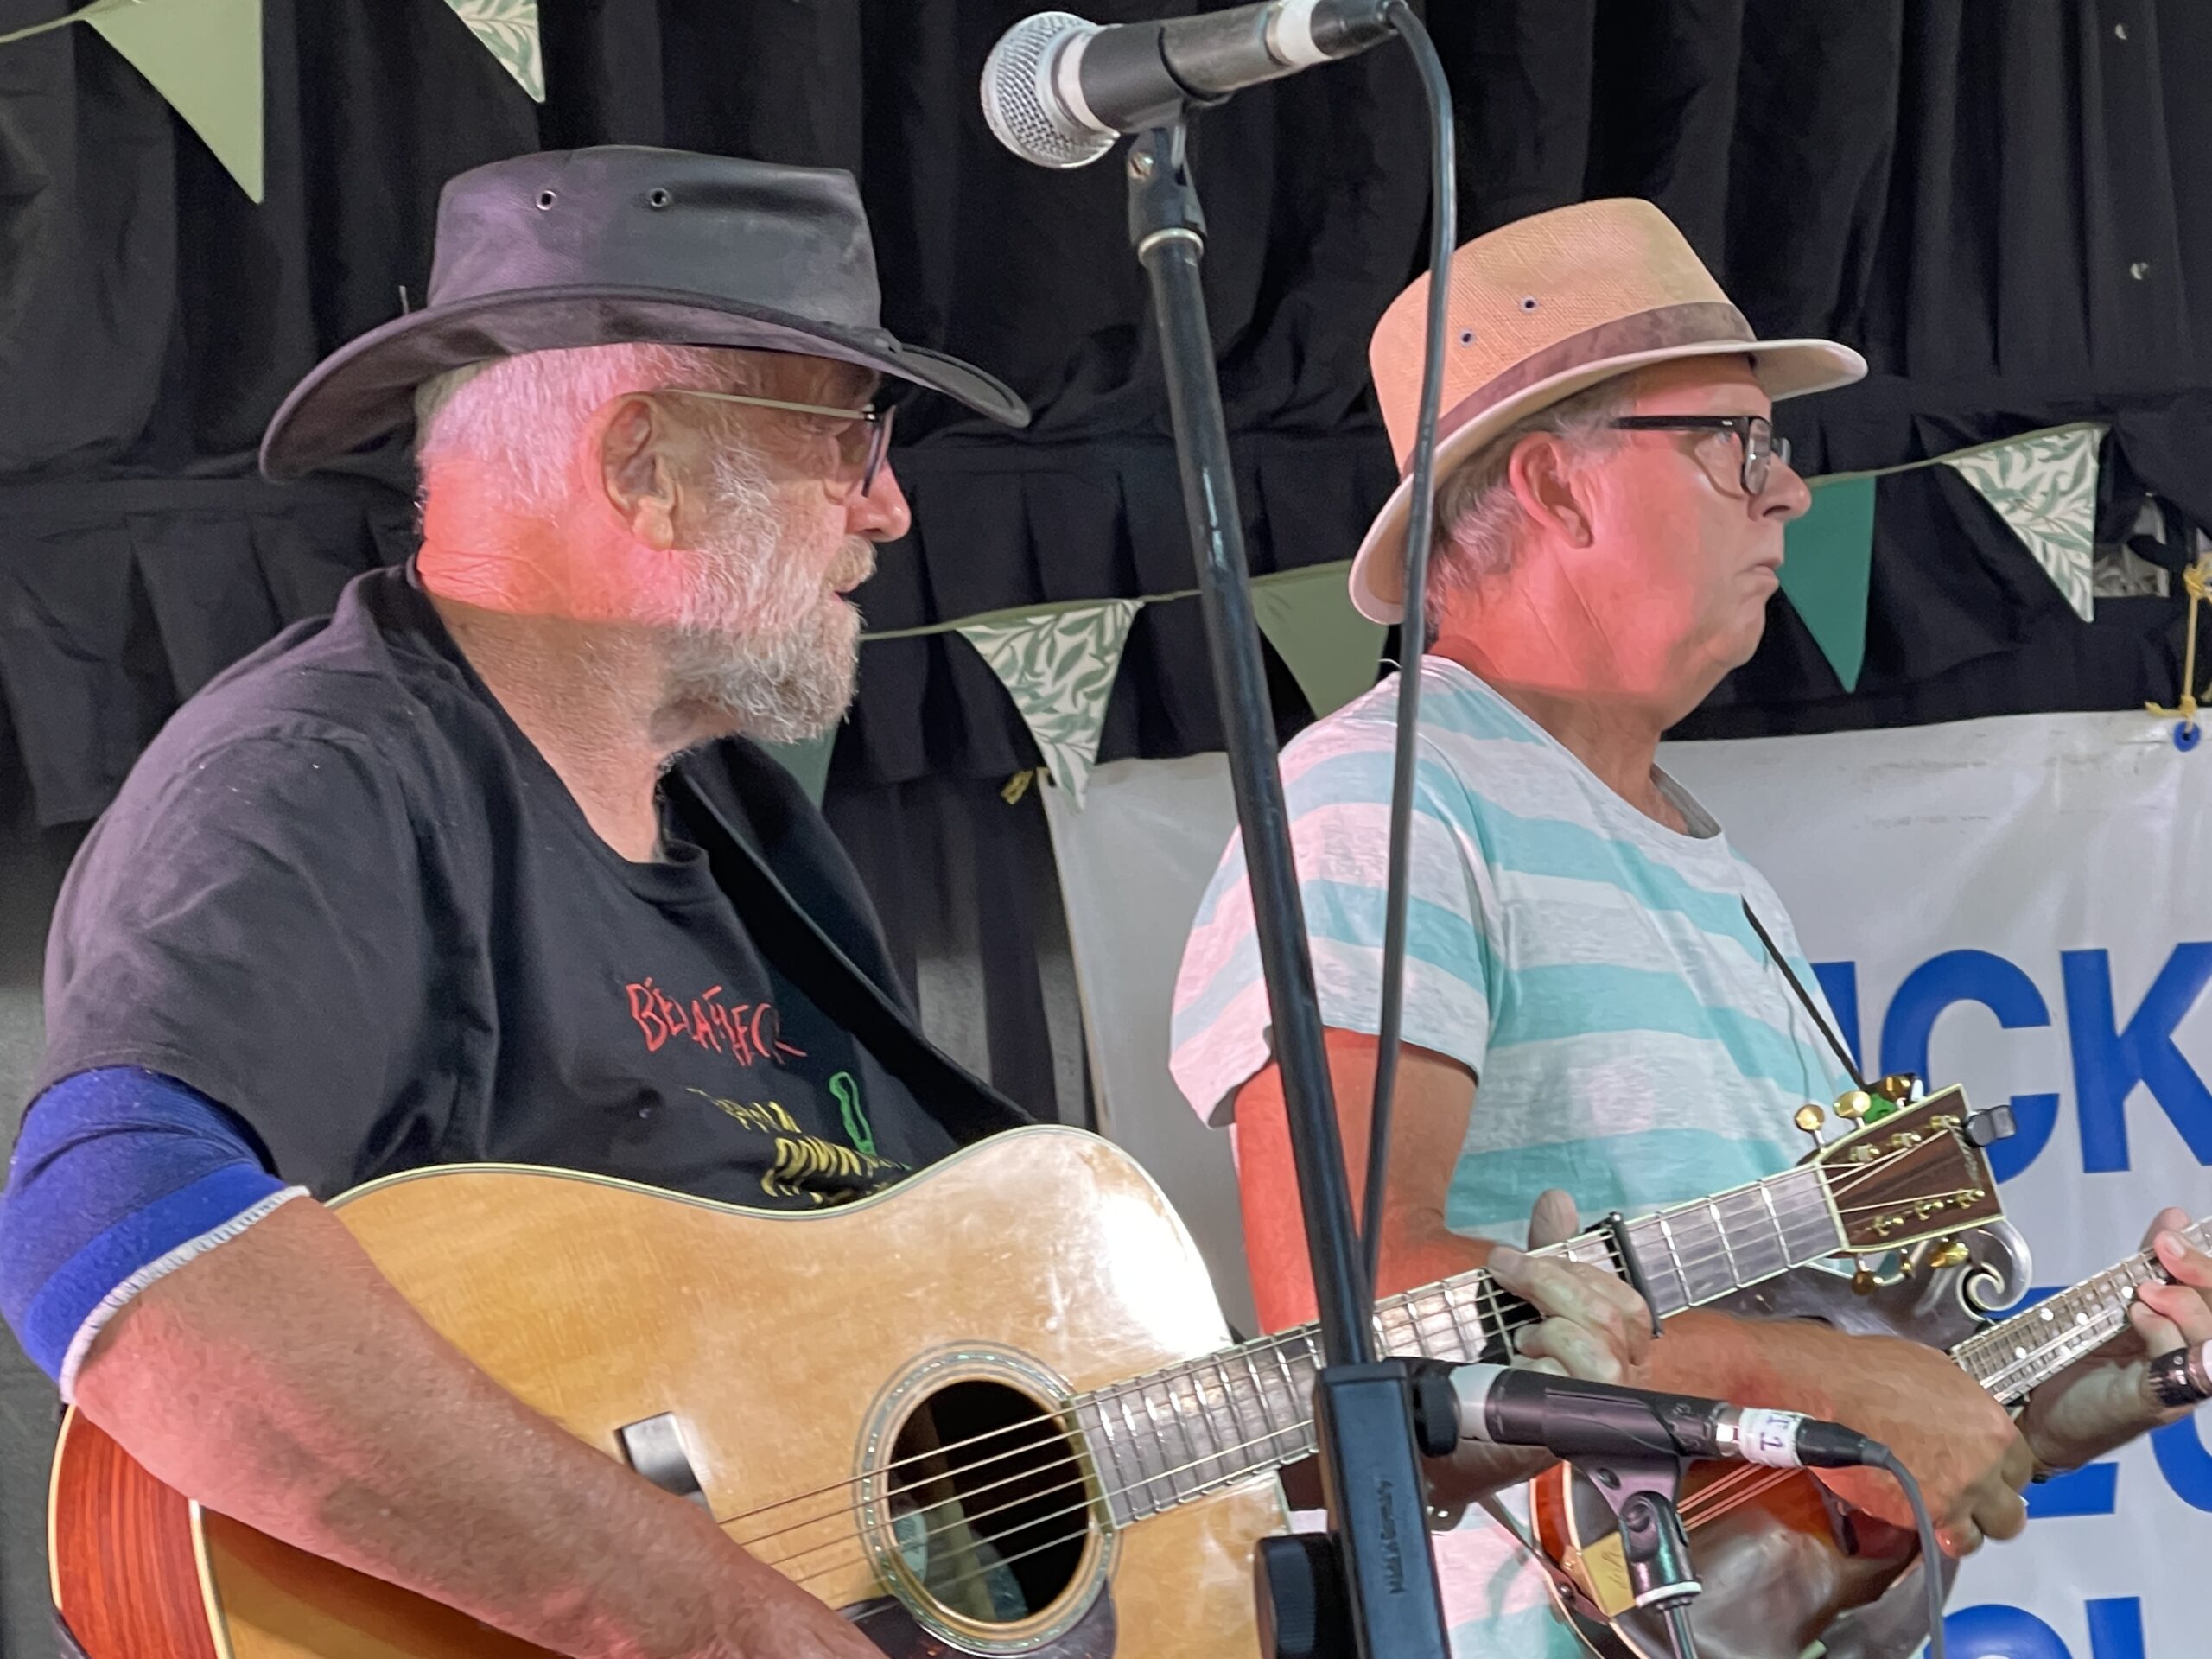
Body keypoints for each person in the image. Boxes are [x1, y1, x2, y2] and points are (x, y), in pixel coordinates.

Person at [0, 149, 1649, 1659]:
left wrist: (1381, 1429)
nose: (889, 507)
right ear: (645, 465)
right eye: (848, 437)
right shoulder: (326, 774)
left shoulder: (756, 840)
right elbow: (109, 1235)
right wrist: (706, 1617)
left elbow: (945, 1459)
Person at [1170, 198, 2212, 1656]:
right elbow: (1347, 1335)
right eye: (1739, 441)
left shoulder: (1718, 872)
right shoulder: (1379, 800)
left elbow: (1816, 1455)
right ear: (1556, 485)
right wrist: (1822, 1387)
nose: (1791, 493)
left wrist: (2087, 1385)